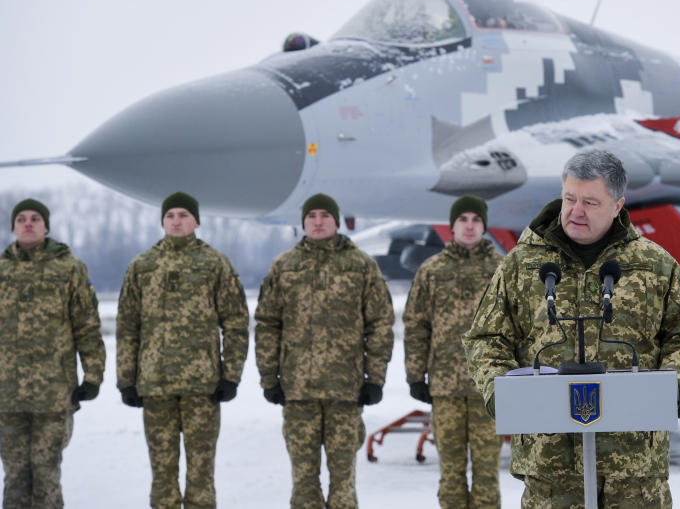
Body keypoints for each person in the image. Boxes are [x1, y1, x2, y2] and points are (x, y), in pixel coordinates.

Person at [464, 149, 680, 508]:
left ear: (617, 206)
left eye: (590, 202)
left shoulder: (653, 264)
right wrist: (497, 388)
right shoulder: (522, 264)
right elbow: (486, 338)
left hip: (633, 466)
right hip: (550, 465)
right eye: (570, 198)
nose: (575, 211)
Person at [255, 193, 394, 508]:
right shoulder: (284, 266)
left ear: (336, 220)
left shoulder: (360, 265)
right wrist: (269, 377)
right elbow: (267, 324)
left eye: (325, 216)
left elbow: (380, 325)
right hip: (297, 391)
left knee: (343, 481)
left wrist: (375, 378)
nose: (318, 222)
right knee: (304, 483)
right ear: (303, 222)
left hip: (345, 392)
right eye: (312, 216)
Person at [116, 191, 249, 509]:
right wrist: (126, 379)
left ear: (196, 221)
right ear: (162, 221)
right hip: (155, 384)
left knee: (201, 471)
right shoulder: (143, 266)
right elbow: (127, 326)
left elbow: (235, 322)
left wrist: (230, 376)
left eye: (183, 215)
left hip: (201, 386)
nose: (176, 221)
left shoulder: (215, 264)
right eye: (170, 215)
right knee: (162, 473)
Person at [0, 199, 106, 508]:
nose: (28, 223)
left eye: (35, 218)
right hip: (7, 395)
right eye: (21, 218)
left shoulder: (69, 267)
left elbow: (86, 325)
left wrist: (93, 375)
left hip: (54, 393)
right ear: (13, 227)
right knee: (16, 476)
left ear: (46, 226)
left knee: (46, 474)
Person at [403, 195, 503, 509]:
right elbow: (416, 325)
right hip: (445, 389)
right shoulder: (432, 270)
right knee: (451, 475)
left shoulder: (503, 269)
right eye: (463, 220)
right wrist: (415, 375)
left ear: (484, 225)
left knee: (487, 476)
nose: (469, 226)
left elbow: (521, 324)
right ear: (453, 225)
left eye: (476, 220)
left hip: (489, 388)